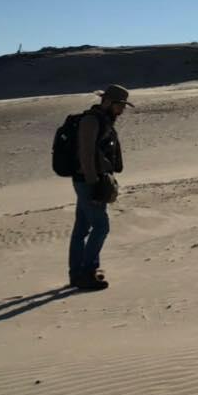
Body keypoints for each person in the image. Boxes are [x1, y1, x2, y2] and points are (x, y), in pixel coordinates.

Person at [68, 84, 133, 289]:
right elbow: (86, 155)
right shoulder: (91, 121)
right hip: (88, 181)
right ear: (107, 102)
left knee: (82, 228)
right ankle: (86, 272)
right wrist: (94, 184)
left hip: (91, 179)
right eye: (120, 105)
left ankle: (79, 273)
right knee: (101, 226)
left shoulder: (103, 120)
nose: (122, 110)